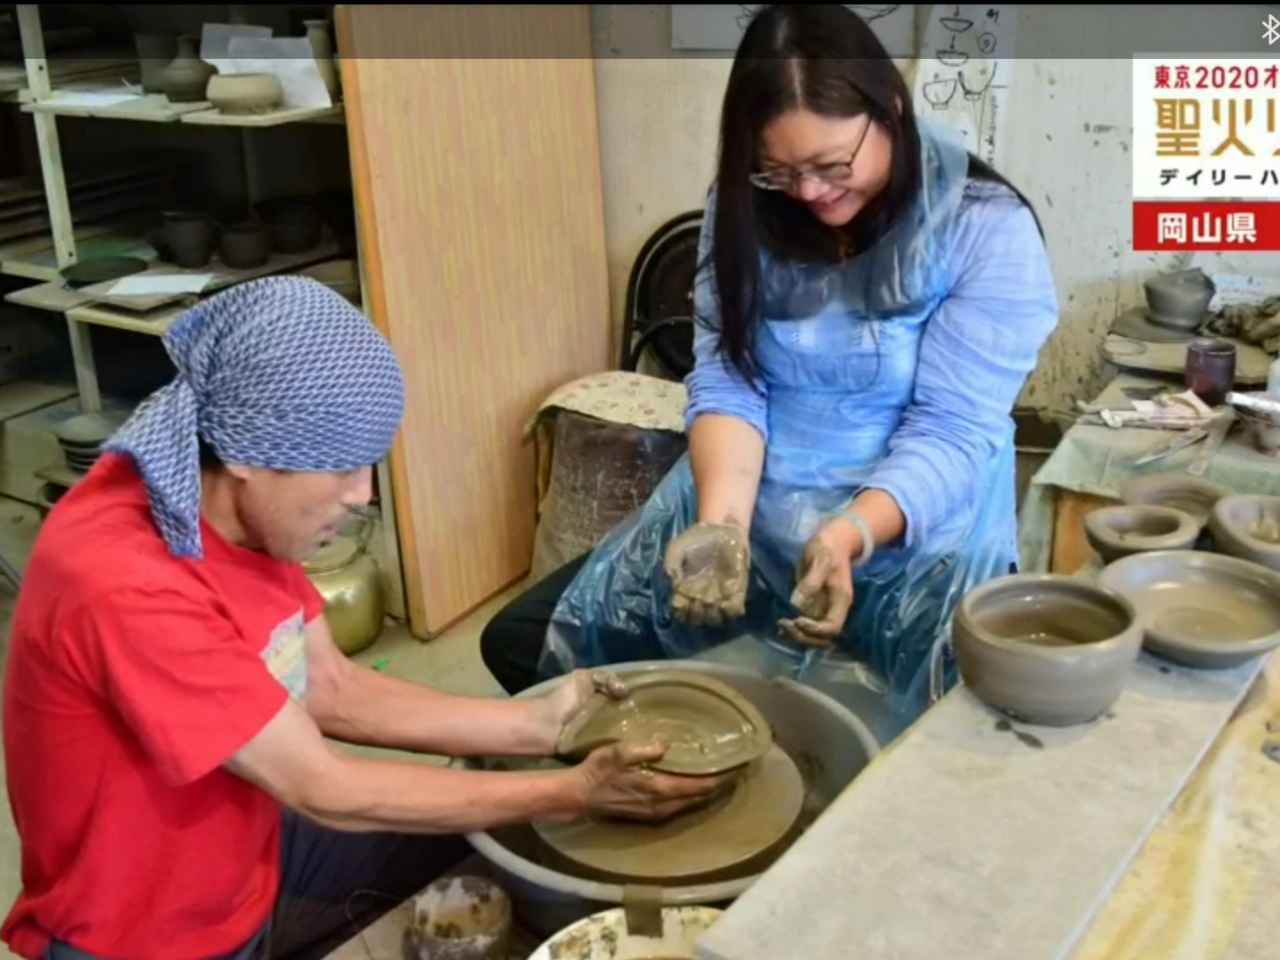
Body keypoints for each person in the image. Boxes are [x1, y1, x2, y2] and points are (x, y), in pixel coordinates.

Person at [1, 277, 727, 960]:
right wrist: (573, 790)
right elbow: (325, 788)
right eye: (342, 467)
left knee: (488, 822)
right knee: (529, 810)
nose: (361, 496)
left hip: (251, 848)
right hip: (147, 931)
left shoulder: (246, 510)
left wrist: (545, 724)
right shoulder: (126, 580)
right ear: (255, 456)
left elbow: (329, 687)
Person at [481, 4, 1060, 737]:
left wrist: (847, 534)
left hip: (914, 541)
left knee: (942, 738)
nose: (810, 194)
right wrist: (722, 525)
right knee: (529, 650)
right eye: (781, 170)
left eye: (831, 165)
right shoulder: (747, 208)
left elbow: (952, 427)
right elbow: (731, 377)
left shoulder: (983, 227)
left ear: (892, 109)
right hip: (753, 507)